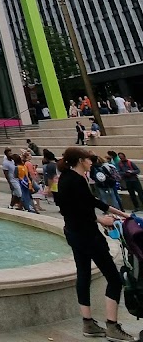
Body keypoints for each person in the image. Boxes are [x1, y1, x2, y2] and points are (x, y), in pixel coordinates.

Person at [56, 146, 135, 341]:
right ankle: (112, 326)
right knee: (115, 279)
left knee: (83, 274)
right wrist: (100, 220)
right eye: (89, 159)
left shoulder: (65, 178)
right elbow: (85, 208)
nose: (91, 161)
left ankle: (88, 323)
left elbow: (87, 203)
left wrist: (122, 214)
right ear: (80, 161)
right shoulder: (76, 180)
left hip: (74, 233)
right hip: (88, 235)